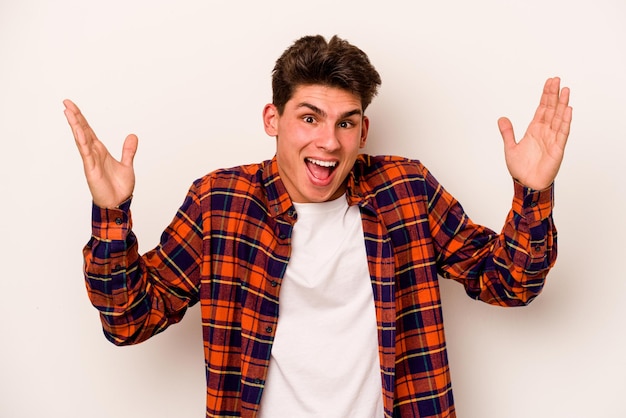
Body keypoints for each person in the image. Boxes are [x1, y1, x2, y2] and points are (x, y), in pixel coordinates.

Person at [63, 34, 572, 418]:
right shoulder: (220, 202)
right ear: (272, 118)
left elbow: (510, 283)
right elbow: (129, 321)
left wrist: (533, 191)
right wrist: (112, 212)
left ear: (362, 130)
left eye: (346, 122)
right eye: (310, 118)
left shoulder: (407, 190)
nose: (329, 142)